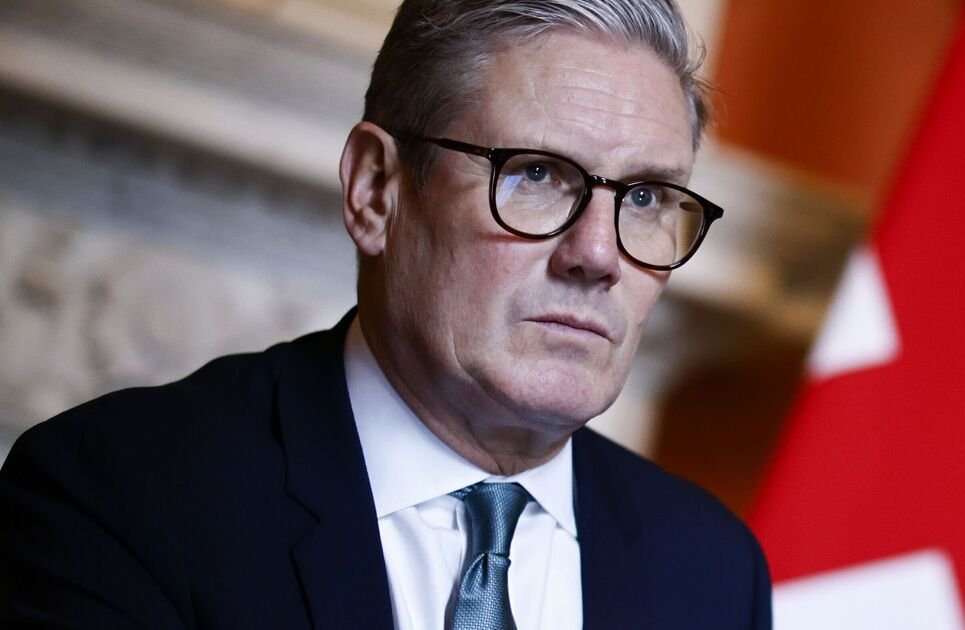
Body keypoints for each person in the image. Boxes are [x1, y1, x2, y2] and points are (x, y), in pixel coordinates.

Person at [0, 0, 771, 628]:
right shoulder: (119, 496)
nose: (598, 254)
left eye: (645, 197)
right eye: (536, 174)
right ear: (375, 190)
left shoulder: (713, 573)